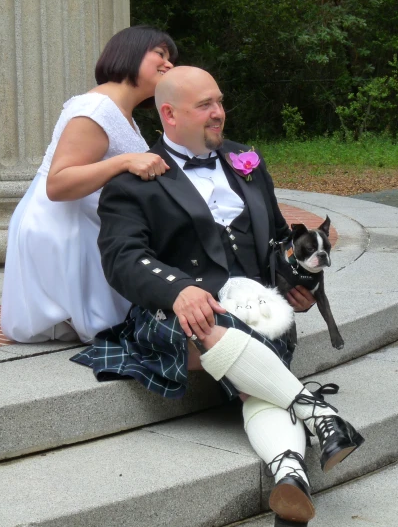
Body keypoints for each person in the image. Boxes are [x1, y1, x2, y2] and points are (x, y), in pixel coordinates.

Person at [71, 67, 365, 526]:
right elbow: (121, 258)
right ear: (168, 114)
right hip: (177, 313)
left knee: (256, 380)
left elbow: (276, 239)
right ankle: (316, 412)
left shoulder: (246, 160)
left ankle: (291, 479)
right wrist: (179, 289)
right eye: (205, 105)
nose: (219, 113)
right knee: (210, 324)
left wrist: (294, 280)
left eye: (220, 102)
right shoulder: (131, 181)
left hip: (258, 309)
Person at [1, 26, 175, 343]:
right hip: (63, 233)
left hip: (87, 228)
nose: (169, 64)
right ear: (130, 52)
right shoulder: (96, 109)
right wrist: (124, 162)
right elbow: (58, 184)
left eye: (171, 59)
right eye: (160, 54)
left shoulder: (121, 112)